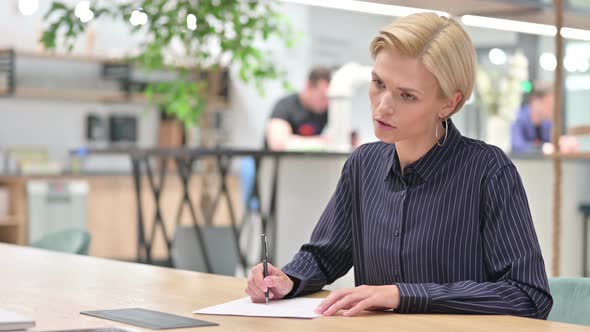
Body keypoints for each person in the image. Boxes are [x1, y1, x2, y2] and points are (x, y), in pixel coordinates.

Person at [246, 13, 552, 319]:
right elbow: (326, 256)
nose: (383, 106)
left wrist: (402, 294)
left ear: (448, 103)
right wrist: (288, 280)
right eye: (379, 83)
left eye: (407, 95)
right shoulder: (363, 165)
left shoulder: (488, 172)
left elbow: (528, 295)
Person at [265, 67, 331, 150]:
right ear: (309, 85)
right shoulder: (285, 106)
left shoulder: (326, 110)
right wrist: (322, 142)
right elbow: (278, 144)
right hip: (275, 161)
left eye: (330, 98)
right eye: (323, 97)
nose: (327, 103)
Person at [511, 82, 579, 154]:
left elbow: (553, 144)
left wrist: (565, 143)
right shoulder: (518, 120)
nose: (553, 107)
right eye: (549, 103)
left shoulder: (547, 123)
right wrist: (543, 148)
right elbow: (517, 147)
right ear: (535, 100)